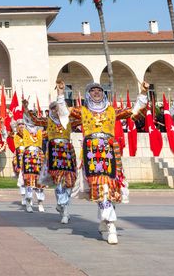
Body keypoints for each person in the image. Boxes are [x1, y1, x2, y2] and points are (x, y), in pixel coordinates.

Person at [55, 80, 148, 245]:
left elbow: (133, 111)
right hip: (92, 154)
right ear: (88, 94)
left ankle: (105, 220)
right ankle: (111, 225)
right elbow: (63, 112)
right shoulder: (82, 111)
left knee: (111, 187)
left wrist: (143, 93)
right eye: (93, 90)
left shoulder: (112, 111)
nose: (96, 92)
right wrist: (61, 93)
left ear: (103, 93)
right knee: (100, 186)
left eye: (99, 90)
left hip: (110, 154)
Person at [44, 99, 76, 224]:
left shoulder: (69, 121)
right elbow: (34, 120)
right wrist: (25, 109)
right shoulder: (47, 121)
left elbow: (82, 118)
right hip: (54, 153)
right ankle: (63, 207)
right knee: (58, 182)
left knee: (69, 182)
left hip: (68, 152)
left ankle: (64, 207)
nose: (56, 111)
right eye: (53, 108)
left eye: (58, 108)